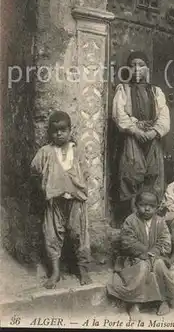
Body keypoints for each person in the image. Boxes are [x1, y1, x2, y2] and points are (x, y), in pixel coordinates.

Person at [30, 111, 92, 289]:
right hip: (55, 202)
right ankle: (55, 272)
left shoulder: (76, 151)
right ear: (50, 133)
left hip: (75, 201)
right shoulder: (46, 152)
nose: (59, 134)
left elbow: (85, 172)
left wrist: (75, 186)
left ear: (70, 130)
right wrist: (46, 186)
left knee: (79, 234)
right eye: (55, 131)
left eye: (63, 130)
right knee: (52, 234)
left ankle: (83, 270)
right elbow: (34, 169)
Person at [112, 50, 170, 221]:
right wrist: (136, 131)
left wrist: (152, 132)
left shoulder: (156, 92)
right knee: (131, 173)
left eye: (141, 65)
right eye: (132, 65)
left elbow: (164, 116)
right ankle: (132, 219)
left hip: (152, 138)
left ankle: (151, 221)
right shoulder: (123, 89)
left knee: (153, 175)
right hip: (133, 138)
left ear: (147, 69)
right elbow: (119, 114)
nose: (137, 69)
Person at [106, 189, 174, 318]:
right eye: (143, 205)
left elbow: (165, 242)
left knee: (160, 265)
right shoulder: (130, 221)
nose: (147, 209)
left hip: (155, 257)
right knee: (142, 267)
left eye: (151, 206)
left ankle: (163, 300)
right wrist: (143, 253)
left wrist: (153, 252)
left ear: (157, 207)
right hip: (134, 258)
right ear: (136, 205)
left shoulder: (160, 222)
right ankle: (134, 303)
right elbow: (127, 241)